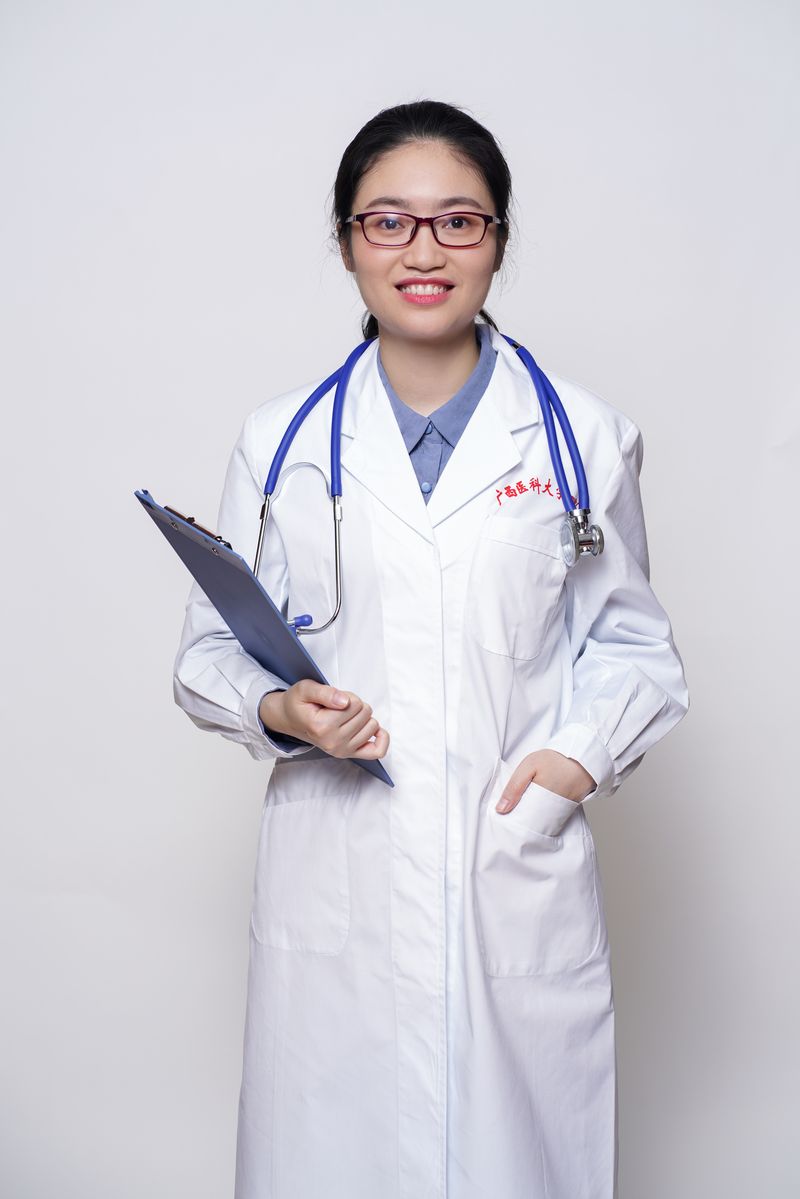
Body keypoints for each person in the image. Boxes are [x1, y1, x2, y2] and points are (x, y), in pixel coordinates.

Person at [173, 100, 689, 1199]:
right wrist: (282, 712)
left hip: (507, 871)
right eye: (388, 222)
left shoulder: (582, 437)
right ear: (346, 241)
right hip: (340, 881)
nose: (422, 251)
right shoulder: (280, 443)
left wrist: (569, 765)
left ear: (498, 239)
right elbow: (211, 650)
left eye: (458, 221)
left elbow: (635, 649)